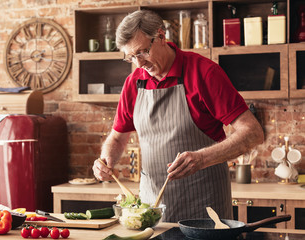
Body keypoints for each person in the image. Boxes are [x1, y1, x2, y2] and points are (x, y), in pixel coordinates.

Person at [92, 10, 264, 222]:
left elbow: (253, 133)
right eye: (130, 57)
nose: (139, 64)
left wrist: (202, 159)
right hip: (151, 213)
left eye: (142, 52)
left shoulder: (204, 73)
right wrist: (106, 159)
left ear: (162, 37)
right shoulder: (133, 83)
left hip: (205, 211)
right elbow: (117, 137)